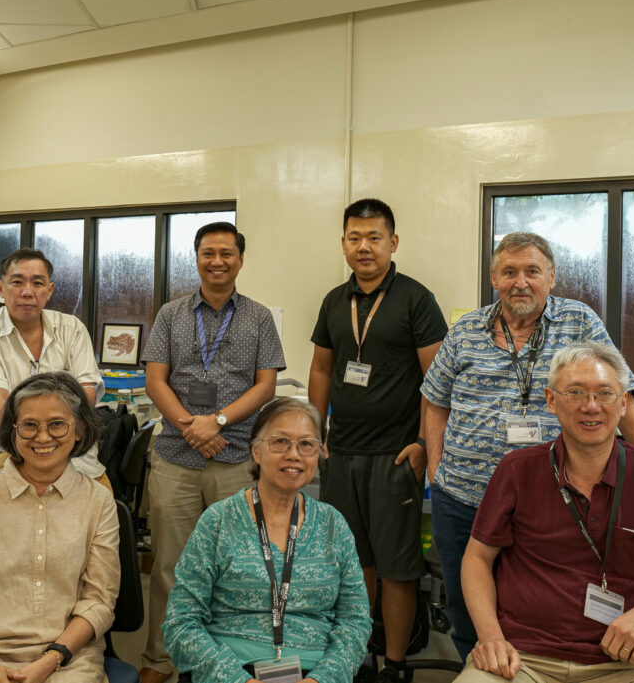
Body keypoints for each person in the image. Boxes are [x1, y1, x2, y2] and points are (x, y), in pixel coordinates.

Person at [420, 232, 634, 659]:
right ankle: (479, 668)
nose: (521, 282)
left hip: (546, 502)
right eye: (509, 272)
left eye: (532, 271)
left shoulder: (579, 322)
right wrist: (436, 470)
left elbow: (623, 398)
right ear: (495, 278)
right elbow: (434, 399)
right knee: (465, 605)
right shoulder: (465, 331)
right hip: (463, 496)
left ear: (551, 277)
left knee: (536, 609)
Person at [458, 341, 634, 682]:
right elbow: (477, 558)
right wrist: (490, 636)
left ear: (623, 403)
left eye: (605, 394)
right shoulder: (517, 470)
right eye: (575, 392)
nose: (591, 406)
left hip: (619, 667)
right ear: (551, 400)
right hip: (521, 661)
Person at [308, 198, 447, 682]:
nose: (363, 247)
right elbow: (322, 367)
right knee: (353, 562)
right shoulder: (333, 300)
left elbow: (438, 380)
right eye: (354, 238)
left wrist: (424, 443)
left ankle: (395, 664)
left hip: (394, 457)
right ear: (343, 242)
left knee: (398, 566)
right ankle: (354, 657)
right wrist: (314, 431)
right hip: (341, 454)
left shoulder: (415, 299)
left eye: (373, 238)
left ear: (393, 242)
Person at [141, 221, 286, 683]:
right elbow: (155, 380)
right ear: (197, 257)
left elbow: (266, 385)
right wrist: (192, 428)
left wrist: (217, 422)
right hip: (175, 459)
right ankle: (161, 659)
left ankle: (223, 661)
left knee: (235, 567)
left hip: (236, 457)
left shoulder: (260, 317)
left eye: (227, 253)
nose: (217, 261)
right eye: (208, 252)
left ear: (240, 260)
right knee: (169, 565)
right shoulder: (170, 314)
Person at [0, 372, 120, 683]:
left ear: (79, 430)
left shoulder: (97, 502)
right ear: (13, 432)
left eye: (57, 424)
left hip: (66, 658)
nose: (43, 438)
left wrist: (49, 662)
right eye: (29, 425)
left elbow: (99, 600)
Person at [163, 398, 371, 683]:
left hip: (315, 671)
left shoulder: (333, 525)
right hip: (230, 669)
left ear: (320, 453)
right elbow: (181, 622)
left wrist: (323, 679)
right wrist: (236, 680)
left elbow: (355, 621)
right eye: (281, 442)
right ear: (256, 451)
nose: (294, 455)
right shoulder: (219, 521)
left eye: (306, 444)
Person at [0, 247, 107, 484]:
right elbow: (2, 414)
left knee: (98, 512)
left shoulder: (72, 329)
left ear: (49, 291)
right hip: (8, 455)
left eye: (37, 283)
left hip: (76, 460)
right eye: (17, 282)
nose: (27, 292)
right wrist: (57, 421)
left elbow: (87, 395)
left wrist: (51, 436)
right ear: (0, 288)